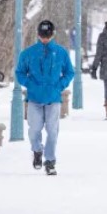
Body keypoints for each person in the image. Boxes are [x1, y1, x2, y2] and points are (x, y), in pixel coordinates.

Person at [15, 20, 76, 176]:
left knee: (52, 131)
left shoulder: (61, 52)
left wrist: (60, 85)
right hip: (34, 98)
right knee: (34, 129)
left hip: (53, 98)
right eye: (42, 36)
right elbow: (20, 72)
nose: (45, 39)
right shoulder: (28, 53)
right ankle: (37, 150)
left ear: (52, 34)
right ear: (38, 35)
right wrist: (29, 84)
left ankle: (50, 161)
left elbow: (70, 71)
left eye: (47, 36)